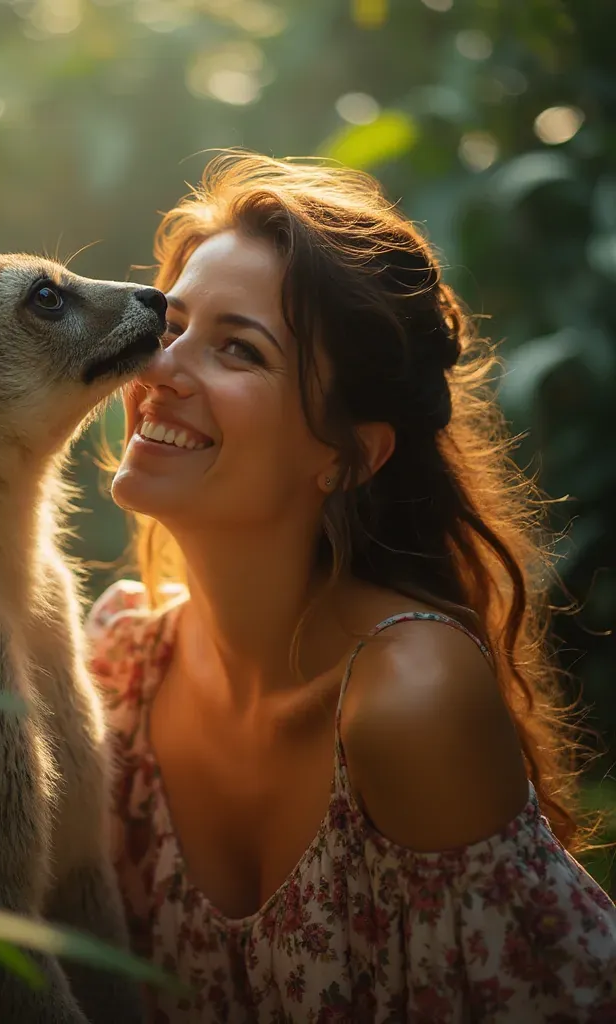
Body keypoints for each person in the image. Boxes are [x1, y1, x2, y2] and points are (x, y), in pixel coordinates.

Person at [85, 151, 616, 1022]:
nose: (161, 371)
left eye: (238, 350)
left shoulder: (410, 697)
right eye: (170, 326)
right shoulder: (120, 662)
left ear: (349, 455)